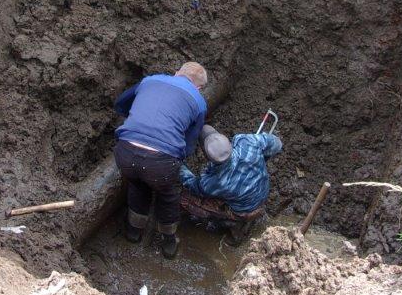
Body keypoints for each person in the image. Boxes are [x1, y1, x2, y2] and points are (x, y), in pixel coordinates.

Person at [113, 61, 208, 259]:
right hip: (161, 163)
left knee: (138, 186)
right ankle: (168, 243)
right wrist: (173, 163)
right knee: (167, 195)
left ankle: (133, 232)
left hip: (125, 152)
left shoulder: (150, 80)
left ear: (176, 73)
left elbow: (121, 102)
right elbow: (189, 142)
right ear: (199, 88)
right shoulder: (199, 102)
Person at [179, 125, 282, 239]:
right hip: (262, 195)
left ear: (206, 154)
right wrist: (261, 157)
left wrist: (178, 165)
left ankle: (228, 221)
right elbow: (277, 144)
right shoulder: (247, 142)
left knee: (185, 198)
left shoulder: (213, 182)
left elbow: (191, 183)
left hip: (243, 212)